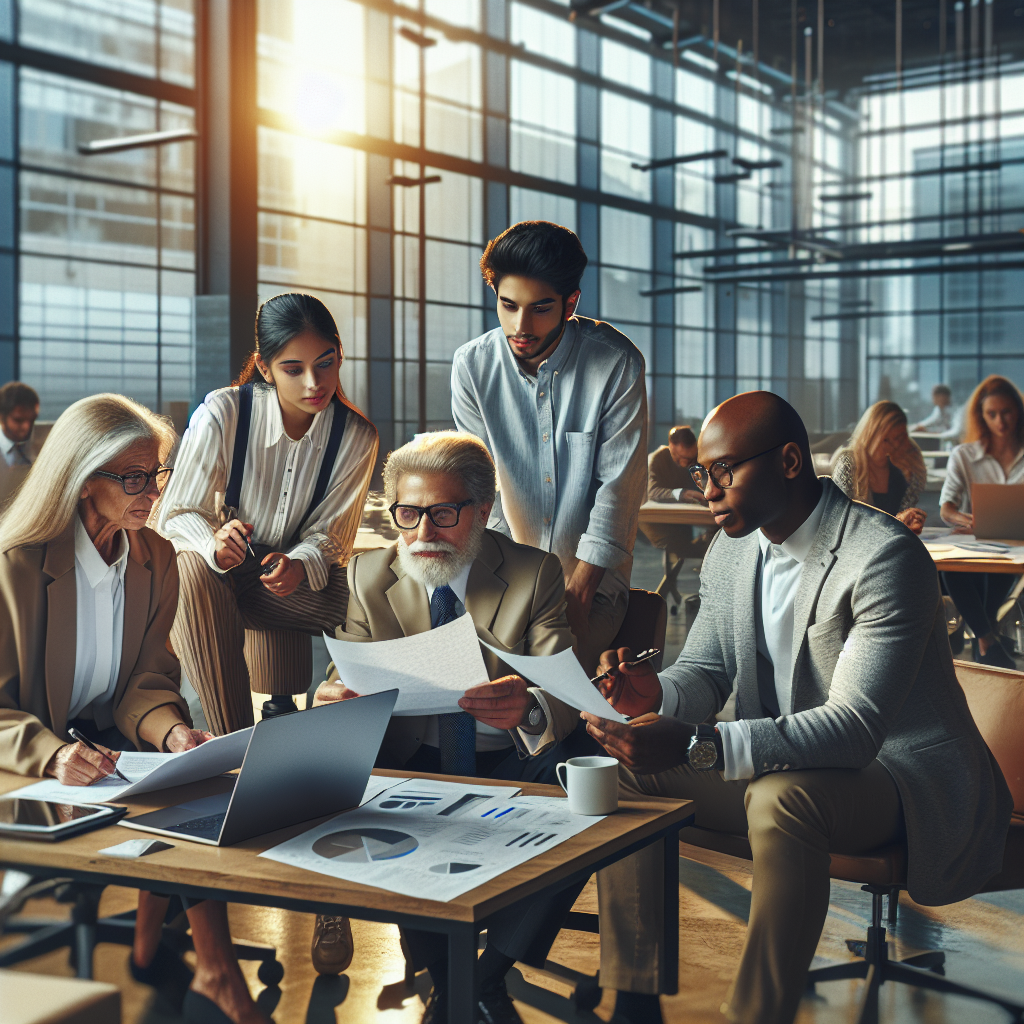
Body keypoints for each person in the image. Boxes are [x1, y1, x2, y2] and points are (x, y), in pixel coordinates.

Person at [528, 391, 1012, 1024]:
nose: (707, 490)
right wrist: (657, 696)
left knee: (782, 799)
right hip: (788, 762)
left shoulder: (884, 556)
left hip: (904, 778)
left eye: (724, 471)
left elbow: (854, 729)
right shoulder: (732, 550)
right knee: (616, 770)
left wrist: (699, 742)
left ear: (788, 461)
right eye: (702, 473)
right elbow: (705, 669)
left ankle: (759, 1014)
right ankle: (636, 994)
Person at [0, 394, 270, 1024]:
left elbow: (144, 681)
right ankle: (214, 972)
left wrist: (172, 731)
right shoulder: (15, 567)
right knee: (173, 804)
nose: (152, 492)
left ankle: (182, 955)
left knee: (197, 779)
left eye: (157, 475)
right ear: (81, 479)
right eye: (132, 478)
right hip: (32, 747)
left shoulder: (156, 557)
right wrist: (55, 753)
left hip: (104, 736)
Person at [313, 431, 589, 1023]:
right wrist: (331, 698)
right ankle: (464, 985)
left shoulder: (533, 572)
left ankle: (482, 975)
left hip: (506, 759)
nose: (422, 534)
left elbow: (566, 691)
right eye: (407, 514)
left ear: (483, 511)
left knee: (583, 767)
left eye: (443, 513)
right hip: (411, 760)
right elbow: (341, 677)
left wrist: (531, 706)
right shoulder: (367, 575)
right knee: (366, 790)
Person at [156, 292, 378, 737]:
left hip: (283, 577)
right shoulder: (226, 412)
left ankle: (382, 737)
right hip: (211, 569)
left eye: (326, 362)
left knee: (380, 597)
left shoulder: (356, 435)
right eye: (293, 369)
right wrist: (212, 544)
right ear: (264, 367)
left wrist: (301, 562)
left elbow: (333, 535)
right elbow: (177, 512)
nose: (314, 382)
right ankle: (233, 746)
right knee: (194, 572)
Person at [451, 220, 647, 673]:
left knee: (524, 674)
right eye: (508, 305)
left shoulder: (616, 364)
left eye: (541, 308)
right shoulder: (472, 366)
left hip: (590, 587)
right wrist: (506, 587)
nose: (521, 326)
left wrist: (574, 601)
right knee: (447, 665)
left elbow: (616, 495)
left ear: (570, 302)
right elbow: (481, 490)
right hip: (501, 576)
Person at [939, 375, 1024, 669]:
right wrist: (968, 519)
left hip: (1018, 546)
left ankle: (984, 637)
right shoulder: (964, 455)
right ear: (981, 416)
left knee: (1002, 567)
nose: (1001, 421)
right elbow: (946, 507)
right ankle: (987, 639)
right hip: (976, 542)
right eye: (992, 414)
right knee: (954, 568)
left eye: (1007, 412)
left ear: (1018, 411)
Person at [830, 401, 928, 533]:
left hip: (896, 544)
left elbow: (907, 512)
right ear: (872, 435)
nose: (895, 445)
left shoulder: (905, 460)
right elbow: (840, 520)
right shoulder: (848, 461)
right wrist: (897, 523)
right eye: (886, 440)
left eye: (900, 438)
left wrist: (911, 478)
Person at [641, 425, 713, 560]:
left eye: (690, 458)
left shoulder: (696, 458)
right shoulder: (656, 459)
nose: (686, 463)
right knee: (681, 548)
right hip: (659, 523)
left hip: (686, 522)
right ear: (671, 446)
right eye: (680, 457)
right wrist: (681, 494)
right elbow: (653, 491)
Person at [0, 381, 42, 506]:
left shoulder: (39, 447)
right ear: (1, 417)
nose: (26, 427)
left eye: (31, 420)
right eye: (18, 420)